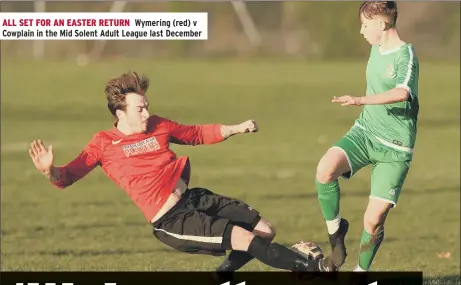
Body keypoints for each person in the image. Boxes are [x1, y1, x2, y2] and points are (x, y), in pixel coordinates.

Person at [29, 71, 334, 273]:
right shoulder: (103, 143)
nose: (147, 113)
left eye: (147, 105)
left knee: (265, 230)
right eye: (140, 109)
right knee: (245, 239)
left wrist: (236, 128)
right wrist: (49, 171)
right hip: (172, 219)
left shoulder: (159, 124)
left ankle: (222, 276)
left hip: (194, 198)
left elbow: (195, 133)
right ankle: (312, 268)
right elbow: (65, 178)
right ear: (120, 113)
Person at [315, 1, 419, 272]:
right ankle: (336, 237)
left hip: (395, 148)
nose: (361, 30)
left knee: (373, 221)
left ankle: (360, 273)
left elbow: (402, 93)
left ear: (382, 25)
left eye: (364, 24)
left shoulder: (405, 54)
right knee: (325, 170)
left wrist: (360, 99)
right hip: (365, 132)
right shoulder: (375, 47)